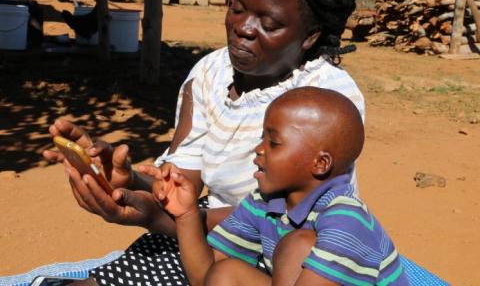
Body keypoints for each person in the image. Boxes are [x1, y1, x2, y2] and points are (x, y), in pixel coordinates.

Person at [42, 0, 364, 285]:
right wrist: (128, 182)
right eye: (237, 8)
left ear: (309, 36)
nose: (242, 28)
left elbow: (273, 218)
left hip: (287, 245)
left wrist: (166, 218)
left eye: (268, 24)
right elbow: (181, 181)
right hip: (207, 223)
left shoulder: (325, 98)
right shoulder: (211, 73)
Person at [142, 87, 409, 286]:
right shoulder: (263, 202)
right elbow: (205, 278)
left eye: (274, 143)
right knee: (226, 273)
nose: (258, 150)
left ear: (320, 163)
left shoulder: (346, 220)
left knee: (298, 245)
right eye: (261, 139)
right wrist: (186, 214)